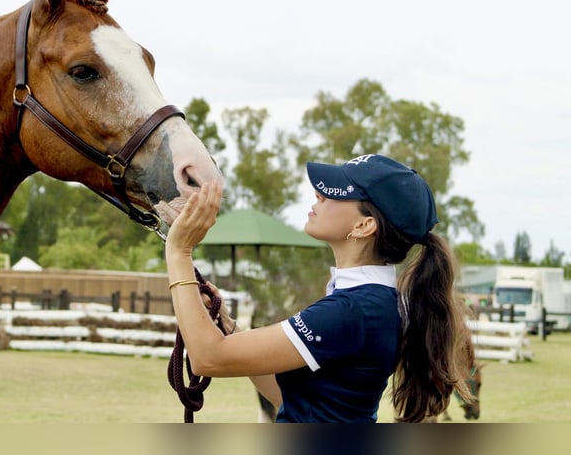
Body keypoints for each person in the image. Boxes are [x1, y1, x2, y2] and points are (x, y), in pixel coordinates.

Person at [165, 153, 473, 423]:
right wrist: (227, 327)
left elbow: (209, 358)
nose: (318, 194)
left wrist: (179, 251)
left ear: (364, 226)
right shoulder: (371, 304)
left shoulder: (353, 311)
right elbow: (297, 404)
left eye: (336, 192)